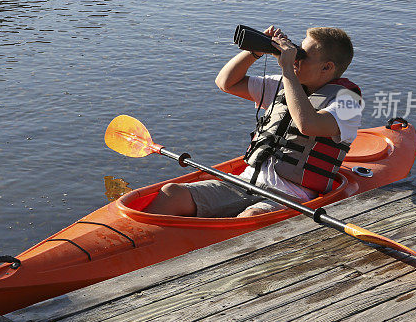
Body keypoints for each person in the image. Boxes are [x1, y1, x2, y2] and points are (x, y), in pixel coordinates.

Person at [144, 25, 363, 217]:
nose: (295, 57)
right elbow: (226, 82)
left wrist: (288, 70)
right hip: (246, 183)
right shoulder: (283, 84)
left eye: (302, 55)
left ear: (327, 67)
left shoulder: (348, 104)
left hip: (290, 196)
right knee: (171, 193)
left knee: (253, 214)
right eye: (297, 51)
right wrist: (255, 52)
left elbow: (308, 124)